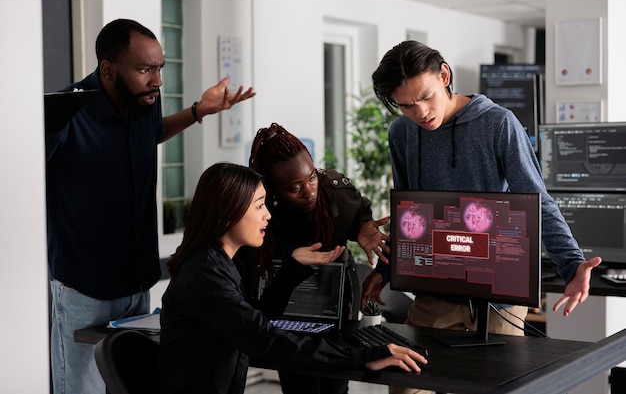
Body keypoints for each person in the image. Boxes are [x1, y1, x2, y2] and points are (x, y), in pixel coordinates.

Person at [361, 40, 602, 394]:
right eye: (407, 106)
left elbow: (538, 201)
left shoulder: (498, 124)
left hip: (498, 292)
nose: (422, 112)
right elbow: (409, 215)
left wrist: (572, 265)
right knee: (406, 387)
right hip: (437, 287)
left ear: (444, 75)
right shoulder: (402, 133)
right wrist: (384, 271)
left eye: (427, 96)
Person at [46, 18, 255, 394]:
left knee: (135, 386)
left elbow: (153, 135)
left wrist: (198, 111)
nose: (157, 80)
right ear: (108, 69)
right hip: (84, 287)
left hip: (137, 285)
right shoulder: (68, 113)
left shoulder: (143, 105)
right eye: (145, 69)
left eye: (160, 67)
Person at [157, 162, 427, 394]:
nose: (268, 215)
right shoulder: (205, 274)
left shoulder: (219, 264)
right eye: (260, 206)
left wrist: (293, 267)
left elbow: (257, 319)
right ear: (228, 214)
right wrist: (362, 357)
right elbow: (264, 338)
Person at [237, 122, 392, 394]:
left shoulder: (335, 191)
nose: (309, 191)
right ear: (271, 189)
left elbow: (358, 215)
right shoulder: (257, 208)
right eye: (295, 188)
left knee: (336, 377)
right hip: (283, 298)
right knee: (298, 378)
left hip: (335, 297)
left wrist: (362, 228)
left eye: (311, 178)